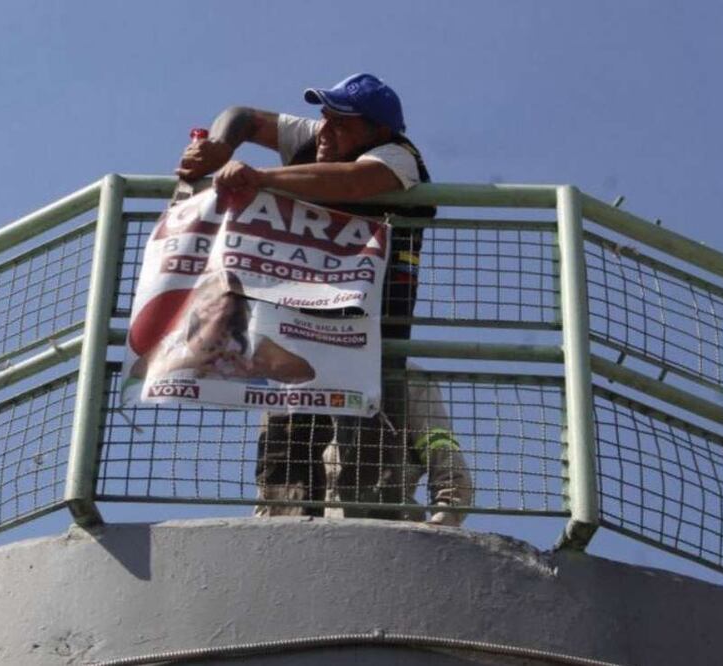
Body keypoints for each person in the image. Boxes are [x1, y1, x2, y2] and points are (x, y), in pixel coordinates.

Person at [177, 73, 472, 523]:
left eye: (342, 123)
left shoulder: (398, 157)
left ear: (378, 132)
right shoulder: (316, 136)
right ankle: (280, 528)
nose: (326, 131)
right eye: (325, 118)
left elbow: (354, 182)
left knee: (367, 461)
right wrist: (220, 145)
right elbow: (244, 117)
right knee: (286, 450)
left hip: (366, 344)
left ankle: (374, 535)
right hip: (293, 336)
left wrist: (259, 177)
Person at [131, 271, 315, 384]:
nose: (213, 304)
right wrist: (191, 362)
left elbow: (305, 371)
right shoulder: (176, 340)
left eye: (221, 298)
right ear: (193, 306)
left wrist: (258, 370)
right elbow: (138, 371)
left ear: (235, 306)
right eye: (206, 297)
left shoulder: (249, 342)